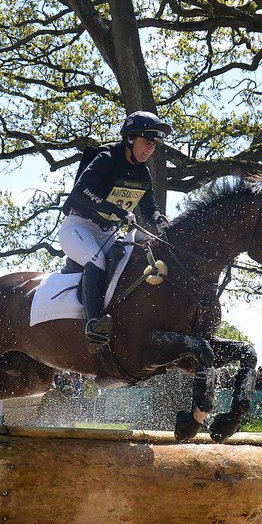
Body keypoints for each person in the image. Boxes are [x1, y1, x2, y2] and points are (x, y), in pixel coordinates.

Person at [60, 110, 172, 349]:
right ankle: (93, 324)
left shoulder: (144, 172)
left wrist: (162, 222)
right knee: (96, 259)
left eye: (153, 145)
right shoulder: (106, 157)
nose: (150, 149)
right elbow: (81, 192)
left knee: (131, 262)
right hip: (78, 227)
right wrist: (118, 211)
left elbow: (150, 209)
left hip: (108, 232)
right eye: (146, 142)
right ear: (130, 139)